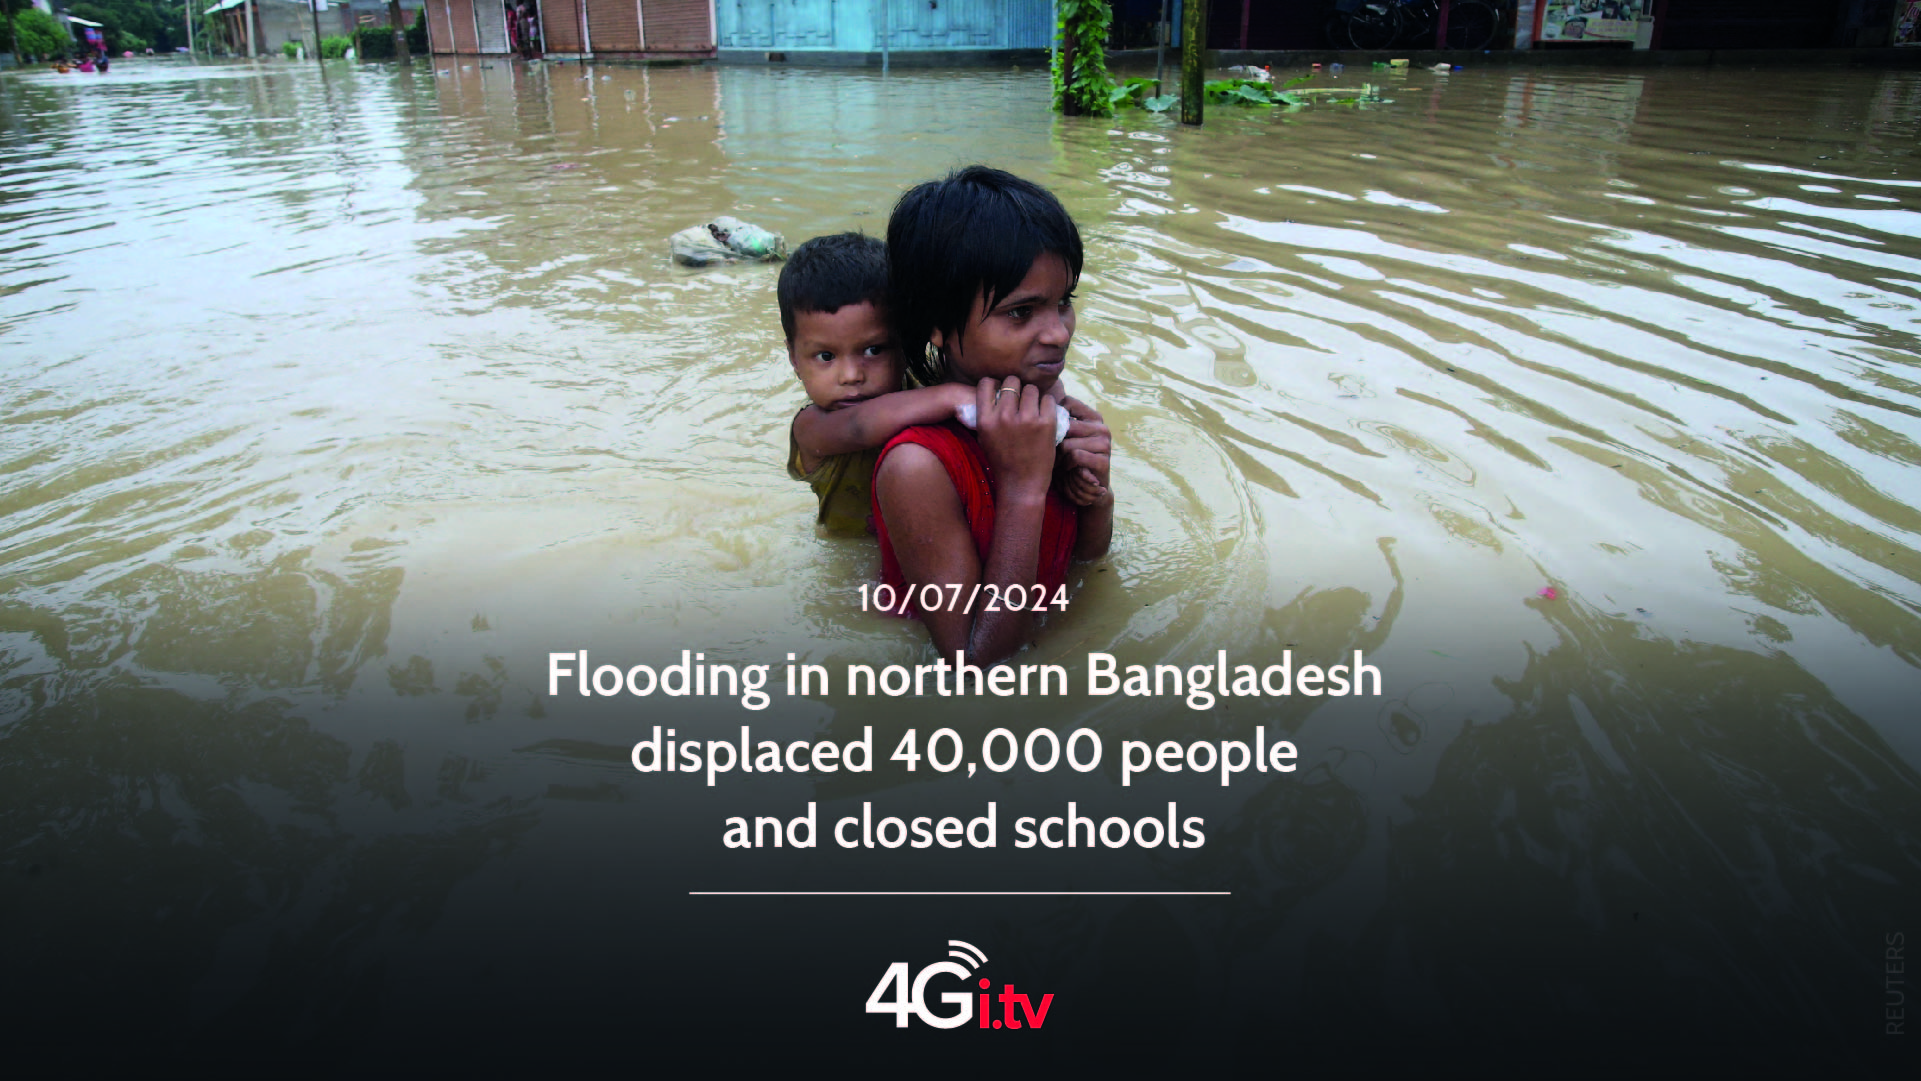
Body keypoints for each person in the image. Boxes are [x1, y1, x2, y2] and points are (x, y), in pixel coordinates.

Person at [872, 166, 1114, 665]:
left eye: (1063, 302)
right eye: (1022, 313)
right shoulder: (918, 466)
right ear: (937, 326)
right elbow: (974, 661)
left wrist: (1094, 493)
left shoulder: (1043, 406)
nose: (1059, 333)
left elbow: (1085, 564)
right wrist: (1025, 487)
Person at [781, 232, 978, 537]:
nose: (851, 375)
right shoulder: (811, 427)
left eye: (873, 350)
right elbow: (859, 427)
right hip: (850, 552)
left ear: (905, 342)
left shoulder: (922, 386)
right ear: (794, 359)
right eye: (825, 356)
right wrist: (954, 396)